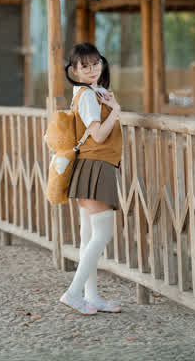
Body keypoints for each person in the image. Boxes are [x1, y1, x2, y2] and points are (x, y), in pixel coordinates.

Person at [59, 42, 123, 315]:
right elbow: (98, 135)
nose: (92, 69)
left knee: (88, 237)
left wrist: (107, 101)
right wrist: (116, 111)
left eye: (96, 63)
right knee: (102, 234)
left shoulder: (89, 93)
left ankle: (91, 296)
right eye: (84, 67)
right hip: (96, 167)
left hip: (88, 166)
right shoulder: (86, 96)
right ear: (74, 70)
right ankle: (73, 294)